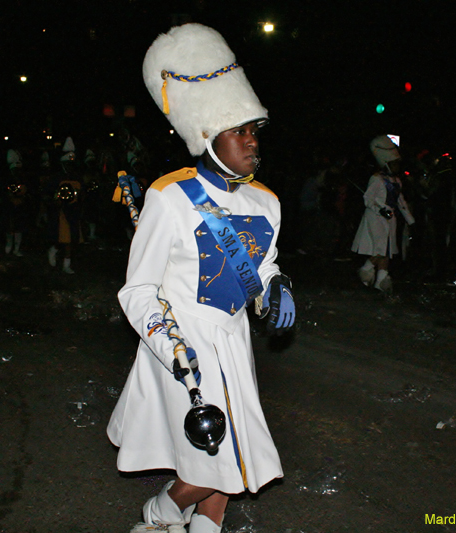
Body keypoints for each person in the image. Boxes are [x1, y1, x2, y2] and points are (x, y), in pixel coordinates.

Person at [107, 23, 295, 533]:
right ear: (209, 136)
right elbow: (138, 289)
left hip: (232, 340)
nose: (253, 141)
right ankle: (162, 511)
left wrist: (275, 288)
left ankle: (203, 527)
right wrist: (170, 346)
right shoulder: (169, 197)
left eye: (255, 130)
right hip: (182, 340)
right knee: (219, 457)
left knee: (233, 451)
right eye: (241, 131)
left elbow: (263, 264)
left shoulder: (267, 202)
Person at [352, 135, 415, 291]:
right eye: (394, 164)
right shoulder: (376, 179)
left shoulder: (397, 181)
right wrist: (379, 209)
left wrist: (411, 221)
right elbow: (367, 199)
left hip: (390, 218)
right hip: (375, 218)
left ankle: (380, 280)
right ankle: (367, 271)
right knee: (381, 249)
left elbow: (401, 202)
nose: (397, 167)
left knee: (388, 249)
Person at [45, 137, 83, 274]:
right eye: (67, 163)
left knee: (71, 240)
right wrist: (54, 201)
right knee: (59, 239)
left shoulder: (78, 177)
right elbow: (48, 194)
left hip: (73, 211)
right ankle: (53, 249)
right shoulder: (56, 177)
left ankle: (66, 265)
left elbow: (81, 194)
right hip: (60, 212)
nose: (69, 166)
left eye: (71, 163)